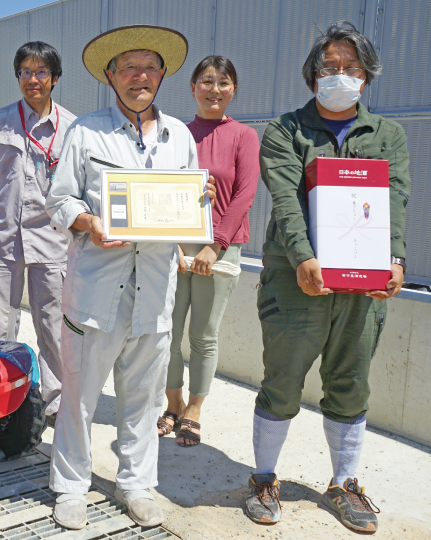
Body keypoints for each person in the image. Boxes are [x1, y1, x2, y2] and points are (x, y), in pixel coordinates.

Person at [45, 25, 216, 530]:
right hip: (96, 288)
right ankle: (71, 486)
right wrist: (89, 222)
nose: (139, 76)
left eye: (149, 67)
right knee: (79, 395)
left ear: (162, 76)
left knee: (143, 397)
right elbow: (59, 200)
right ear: (110, 76)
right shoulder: (86, 132)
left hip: (155, 290)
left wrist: (197, 204)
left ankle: (137, 484)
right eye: (128, 67)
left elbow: (189, 204)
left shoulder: (179, 136)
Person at [243, 21, 410, 533]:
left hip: (363, 287)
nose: (340, 75)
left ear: (368, 75)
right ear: (312, 76)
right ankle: (264, 478)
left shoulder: (388, 135)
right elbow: (287, 200)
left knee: (350, 383)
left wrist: (396, 258)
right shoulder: (284, 129)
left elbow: (394, 201)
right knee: (282, 383)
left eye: (350, 67)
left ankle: (345, 483)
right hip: (296, 283)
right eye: (329, 67)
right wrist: (302, 258)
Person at [157, 56, 259, 446]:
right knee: (164, 330)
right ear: (193, 87)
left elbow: (245, 195)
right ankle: (173, 401)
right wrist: (174, 245)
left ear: (234, 90)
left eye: (223, 82)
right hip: (174, 245)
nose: (214, 90)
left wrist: (214, 246)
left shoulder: (244, 136)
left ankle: (195, 408)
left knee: (203, 334)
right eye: (207, 81)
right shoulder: (175, 133)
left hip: (222, 249)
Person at [0, 41, 76, 419]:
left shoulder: (71, 127)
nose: (32, 80)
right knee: (1, 322)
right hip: (6, 239)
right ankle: (5, 401)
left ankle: (55, 403)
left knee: (52, 324)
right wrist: (5, 215)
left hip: (51, 240)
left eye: (40, 72)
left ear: (54, 78)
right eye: (25, 72)